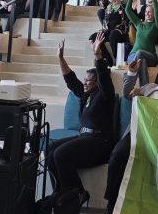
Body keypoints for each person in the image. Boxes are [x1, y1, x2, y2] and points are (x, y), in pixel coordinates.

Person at [103, 58, 158, 214]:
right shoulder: (149, 88)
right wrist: (132, 73)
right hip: (136, 133)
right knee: (117, 155)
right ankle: (112, 203)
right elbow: (126, 93)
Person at [46, 34, 114, 202]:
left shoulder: (105, 95)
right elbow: (71, 80)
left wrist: (98, 55)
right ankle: (61, 193)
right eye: (85, 80)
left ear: (97, 83)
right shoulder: (86, 95)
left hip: (100, 142)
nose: (85, 83)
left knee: (61, 154)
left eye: (89, 81)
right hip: (84, 138)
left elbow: (104, 79)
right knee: (50, 150)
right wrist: (60, 58)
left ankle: (78, 194)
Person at [124, 0, 158, 88]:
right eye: (146, 12)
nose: (147, 13)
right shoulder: (139, 24)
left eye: (150, 11)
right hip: (133, 57)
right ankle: (144, 89)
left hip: (151, 57)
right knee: (142, 61)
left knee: (141, 54)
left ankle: (129, 82)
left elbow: (157, 13)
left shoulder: (156, 25)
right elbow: (127, 10)